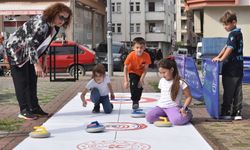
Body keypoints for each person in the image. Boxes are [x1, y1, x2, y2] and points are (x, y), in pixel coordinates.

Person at [5, 3, 72, 120]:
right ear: (54, 13)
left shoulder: (54, 27)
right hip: (16, 50)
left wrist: (44, 61)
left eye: (66, 18)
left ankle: (34, 108)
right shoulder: (41, 23)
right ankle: (24, 110)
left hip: (30, 52)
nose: (63, 21)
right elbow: (31, 44)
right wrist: (37, 65)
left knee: (32, 80)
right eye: (61, 17)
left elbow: (44, 44)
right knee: (22, 81)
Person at [212, 10, 243, 120]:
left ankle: (226, 111)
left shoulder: (233, 34)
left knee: (229, 91)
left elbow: (229, 48)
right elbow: (225, 47)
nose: (225, 27)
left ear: (233, 22)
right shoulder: (238, 33)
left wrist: (221, 59)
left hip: (230, 69)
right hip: (238, 68)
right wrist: (218, 56)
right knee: (237, 91)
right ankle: (237, 112)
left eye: (226, 24)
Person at [146, 57, 193, 125]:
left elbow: (189, 97)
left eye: (164, 72)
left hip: (173, 107)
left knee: (177, 121)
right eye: (160, 73)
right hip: (161, 107)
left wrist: (183, 108)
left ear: (171, 70)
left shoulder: (180, 82)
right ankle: (169, 117)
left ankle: (188, 114)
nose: (162, 75)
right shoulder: (162, 81)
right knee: (149, 117)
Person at [123, 37, 151, 109]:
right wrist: (126, 81)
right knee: (134, 84)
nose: (139, 49)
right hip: (132, 72)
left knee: (139, 86)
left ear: (144, 47)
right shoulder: (131, 55)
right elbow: (125, 68)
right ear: (133, 48)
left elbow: (145, 69)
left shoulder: (146, 56)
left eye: (141, 47)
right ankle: (135, 101)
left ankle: (137, 100)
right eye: (137, 47)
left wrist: (141, 79)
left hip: (141, 73)